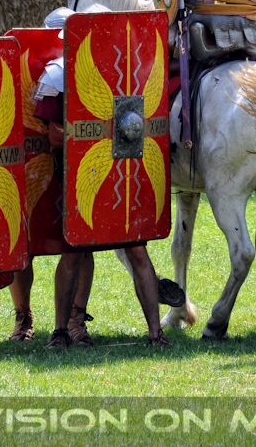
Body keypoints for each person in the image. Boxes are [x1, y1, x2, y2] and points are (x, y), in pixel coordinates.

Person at [32, 44, 181, 347]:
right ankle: (61, 331)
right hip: (80, 175)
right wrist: (94, 133)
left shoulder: (128, 75)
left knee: (137, 249)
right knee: (73, 251)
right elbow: (56, 137)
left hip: (124, 174)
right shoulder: (59, 75)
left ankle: (156, 334)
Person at [6, 7, 97, 346]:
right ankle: (23, 316)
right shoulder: (37, 69)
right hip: (32, 165)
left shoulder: (88, 65)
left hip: (80, 166)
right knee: (25, 243)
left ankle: (76, 318)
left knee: (81, 245)